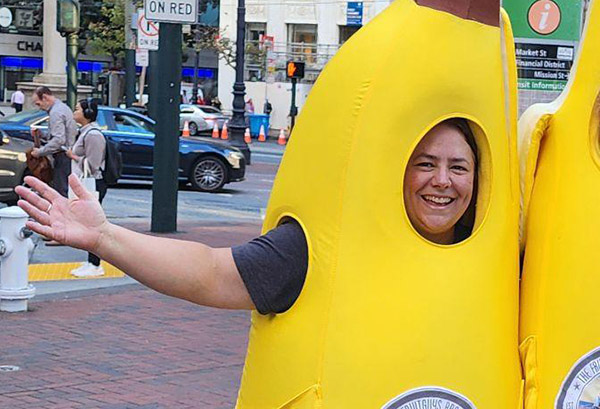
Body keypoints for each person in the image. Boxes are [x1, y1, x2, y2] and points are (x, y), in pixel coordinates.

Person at [15, 118, 478, 315]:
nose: (441, 180)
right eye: (424, 163)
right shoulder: (320, 246)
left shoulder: (498, 256)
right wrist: (105, 238)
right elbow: (212, 273)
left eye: (458, 167)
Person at [66, 99, 107, 278]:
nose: (74, 112)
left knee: (92, 224)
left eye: (77, 109)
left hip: (93, 183)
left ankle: (95, 264)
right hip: (86, 183)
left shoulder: (93, 135)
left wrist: (72, 155)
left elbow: (93, 164)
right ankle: (91, 261)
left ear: (88, 113)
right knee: (87, 223)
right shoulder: (85, 132)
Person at [30, 86, 78, 198]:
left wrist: (40, 152)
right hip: (66, 155)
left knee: (61, 192)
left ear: (45, 98)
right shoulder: (62, 108)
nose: (39, 108)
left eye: (38, 103)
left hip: (63, 156)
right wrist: (42, 135)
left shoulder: (56, 112)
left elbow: (59, 140)